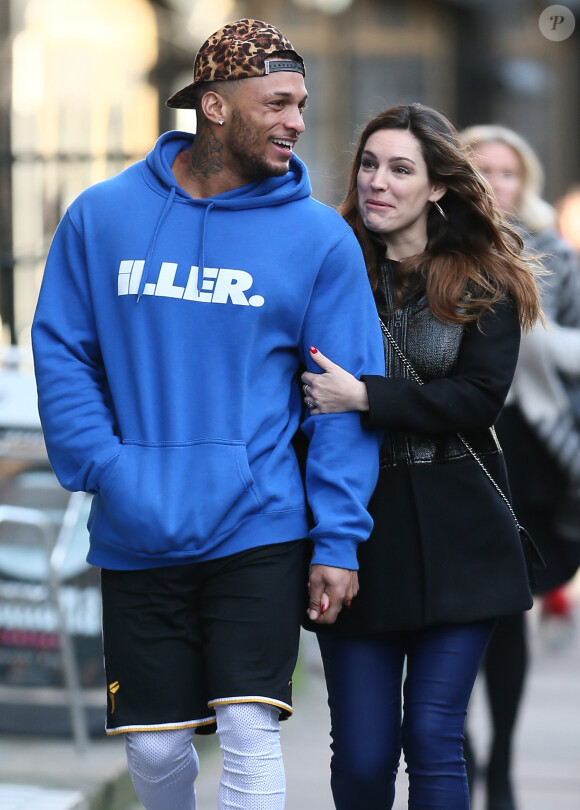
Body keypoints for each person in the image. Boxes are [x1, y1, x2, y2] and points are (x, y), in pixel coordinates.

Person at [31, 19, 385, 810]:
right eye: (280, 102)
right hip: (137, 523)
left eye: (302, 103)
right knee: (157, 753)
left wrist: (337, 539)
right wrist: (109, 470)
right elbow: (62, 352)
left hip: (259, 524)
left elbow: (343, 400)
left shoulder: (319, 241)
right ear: (216, 107)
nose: (298, 120)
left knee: (252, 733)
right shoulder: (103, 216)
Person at [300, 104, 541, 810]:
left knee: (435, 739)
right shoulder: (327, 265)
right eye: (369, 165)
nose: (378, 181)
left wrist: (365, 396)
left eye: (401, 168)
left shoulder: (483, 276)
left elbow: (477, 400)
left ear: (437, 185)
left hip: (460, 535)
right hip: (358, 536)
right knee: (367, 755)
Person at [460, 123, 580, 810]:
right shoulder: (432, 251)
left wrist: (532, 334)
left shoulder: (558, 257)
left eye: (508, 172)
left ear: (523, 181)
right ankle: (464, 750)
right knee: (457, 617)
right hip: (460, 448)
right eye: (483, 170)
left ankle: (500, 762)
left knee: (509, 615)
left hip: (531, 456)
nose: (497, 184)